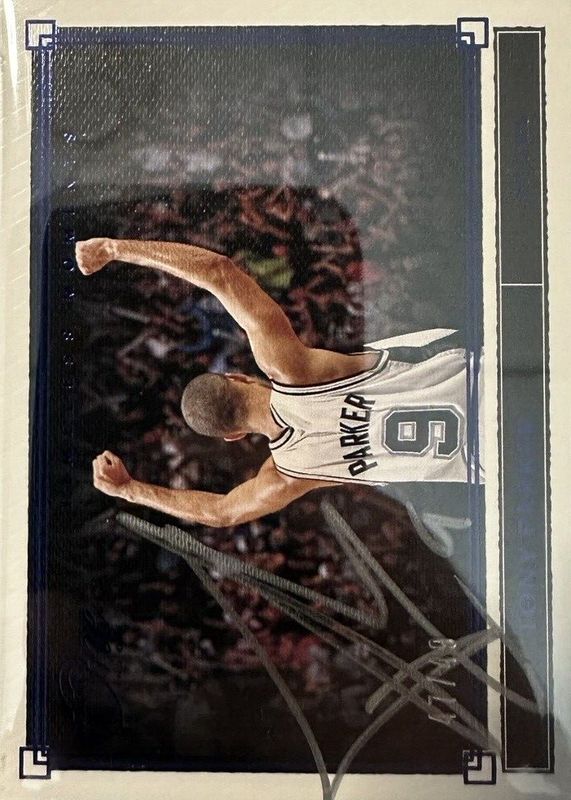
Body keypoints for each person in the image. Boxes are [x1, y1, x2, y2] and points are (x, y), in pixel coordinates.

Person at [77, 238, 482, 528]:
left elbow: (221, 513)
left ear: (234, 435)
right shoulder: (293, 371)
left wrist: (130, 490)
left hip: (488, 461)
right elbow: (219, 272)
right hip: (486, 383)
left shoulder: (289, 473)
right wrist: (115, 249)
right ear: (237, 377)